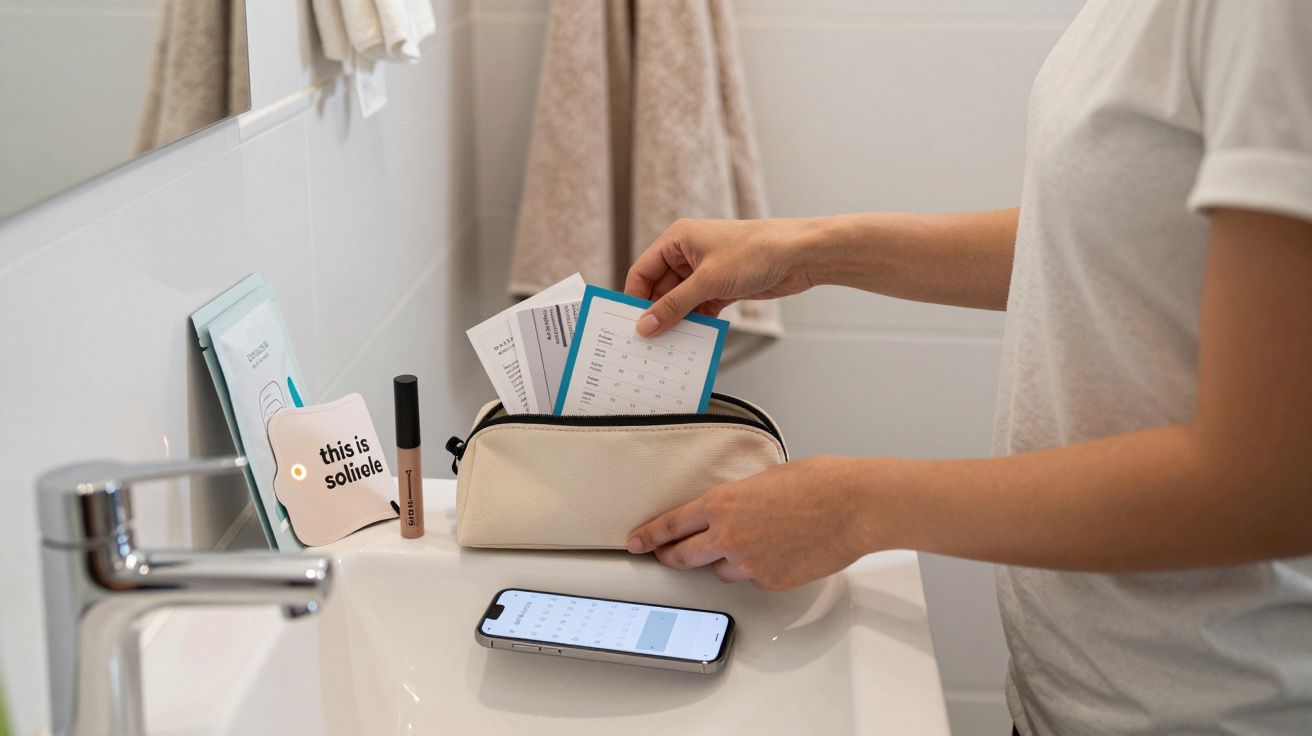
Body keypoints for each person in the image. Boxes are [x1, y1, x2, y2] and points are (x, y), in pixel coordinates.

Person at [621, 2, 1312, 733]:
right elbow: (1110, 239)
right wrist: (814, 248)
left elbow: (1274, 481)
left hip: (1217, 707)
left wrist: (857, 507)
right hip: (1078, 693)